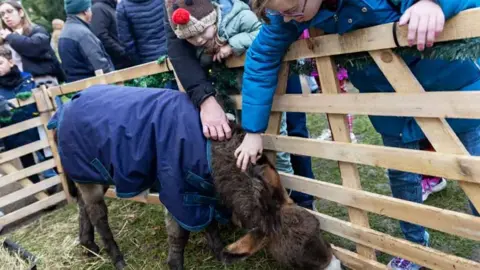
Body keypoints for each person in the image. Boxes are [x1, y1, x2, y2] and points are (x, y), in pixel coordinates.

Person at [235, 1, 480, 270]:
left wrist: (433, 3)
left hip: (454, 90)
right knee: (402, 175)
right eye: (280, 13)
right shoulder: (290, 14)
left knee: (474, 168)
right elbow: (261, 57)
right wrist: (253, 130)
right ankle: (414, 250)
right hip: (391, 106)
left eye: (292, 8)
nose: (287, 17)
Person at [165, 0, 316, 209]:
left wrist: (233, 45)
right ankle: (273, 202)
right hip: (246, 91)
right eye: (192, 37)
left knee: (292, 132)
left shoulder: (236, 17)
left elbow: (262, 32)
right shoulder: (197, 26)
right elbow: (179, 45)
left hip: (277, 72)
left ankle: (303, 201)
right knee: (258, 143)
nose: (198, 40)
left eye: (200, 34)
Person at [0, 46, 57, 187]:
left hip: (37, 128)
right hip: (14, 134)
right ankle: (42, 195)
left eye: (0, 63)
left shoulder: (28, 78)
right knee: (28, 165)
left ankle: (64, 185)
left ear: (11, 62)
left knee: (50, 155)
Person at [0, 1, 65, 88]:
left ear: (21, 12)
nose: (6, 16)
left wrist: (10, 36)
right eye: (2, 14)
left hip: (43, 82)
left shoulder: (37, 30)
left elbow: (34, 47)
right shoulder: (4, 39)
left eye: (9, 11)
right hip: (17, 86)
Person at [59, 0, 114, 83]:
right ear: (85, 11)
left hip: (78, 89)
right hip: (94, 87)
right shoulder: (83, 34)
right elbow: (99, 65)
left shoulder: (64, 32)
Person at [116, 0, 167, 64]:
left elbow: (126, 42)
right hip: (173, 51)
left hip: (148, 60)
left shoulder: (122, 7)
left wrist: (138, 63)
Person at [91, 0, 133, 69]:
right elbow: (101, 36)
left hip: (124, 60)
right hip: (119, 63)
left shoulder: (109, 7)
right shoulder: (98, 8)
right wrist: (122, 51)